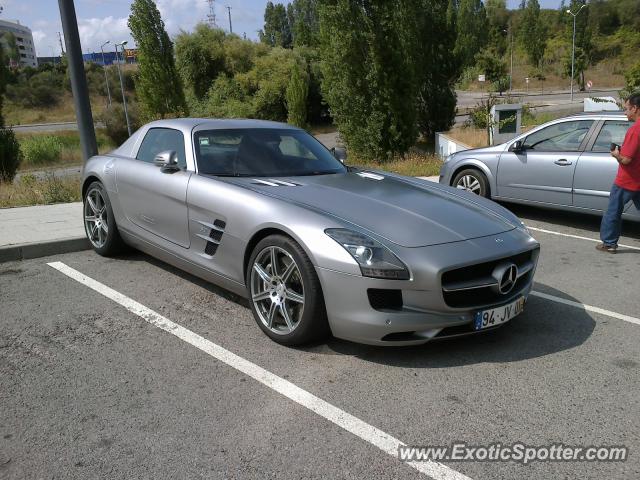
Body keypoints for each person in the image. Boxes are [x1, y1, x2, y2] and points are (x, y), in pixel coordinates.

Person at [597, 92, 640, 253]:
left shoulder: (635, 130)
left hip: (627, 180)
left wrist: (616, 155)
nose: (625, 112)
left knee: (613, 212)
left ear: (635, 108)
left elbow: (627, 160)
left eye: (626, 108)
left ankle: (609, 243)